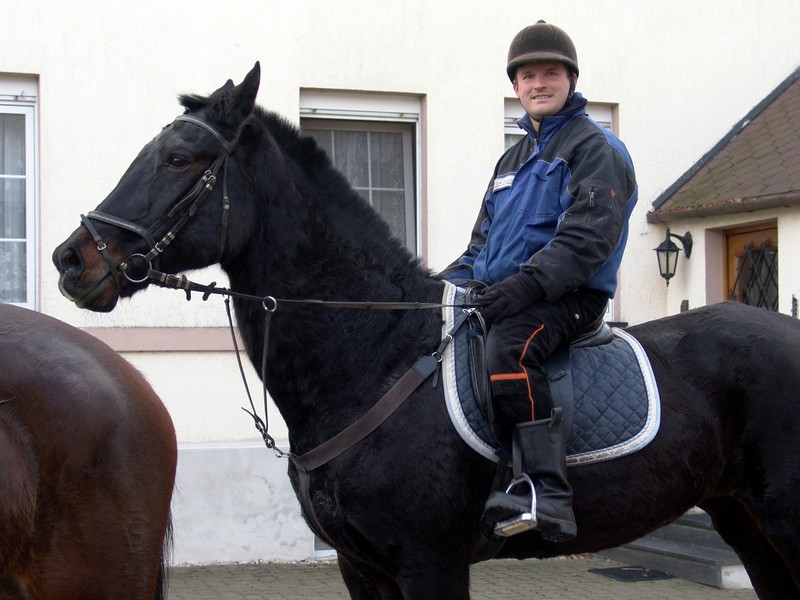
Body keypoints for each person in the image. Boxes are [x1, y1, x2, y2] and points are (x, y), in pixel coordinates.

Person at [440, 20, 638, 542]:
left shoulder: (596, 148)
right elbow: (479, 248)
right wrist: (433, 292)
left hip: (569, 296)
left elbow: (588, 239)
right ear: (516, 86)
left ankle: (545, 492)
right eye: (528, 76)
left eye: (551, 73)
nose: (539, 83)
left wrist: (524, 287)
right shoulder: (512, 159)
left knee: (509, 348)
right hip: (508, 296)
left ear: (571, 80)